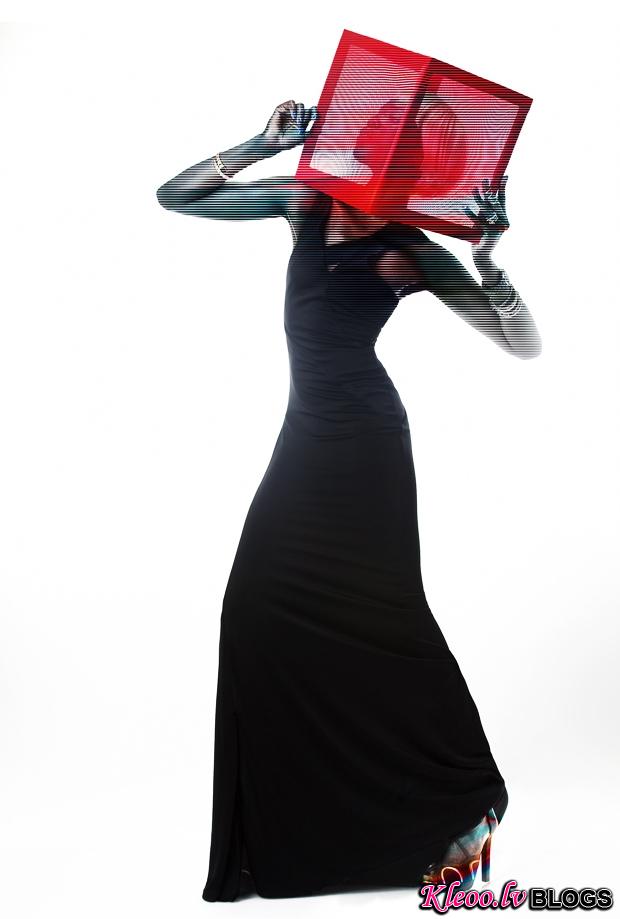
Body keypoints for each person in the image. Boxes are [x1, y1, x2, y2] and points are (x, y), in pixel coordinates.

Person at [156, 99, 542, 902]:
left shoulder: (410, 251)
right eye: (375, 150)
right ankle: (307, 824)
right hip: (305, 437)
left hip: (369, 445)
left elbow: (521, 342)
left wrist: (490, 260)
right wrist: (261, 143)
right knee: (254, 610)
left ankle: (459, 794)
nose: (381, 166)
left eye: (404, 161)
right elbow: (176, 196)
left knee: (388, 620)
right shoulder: (304, 203)